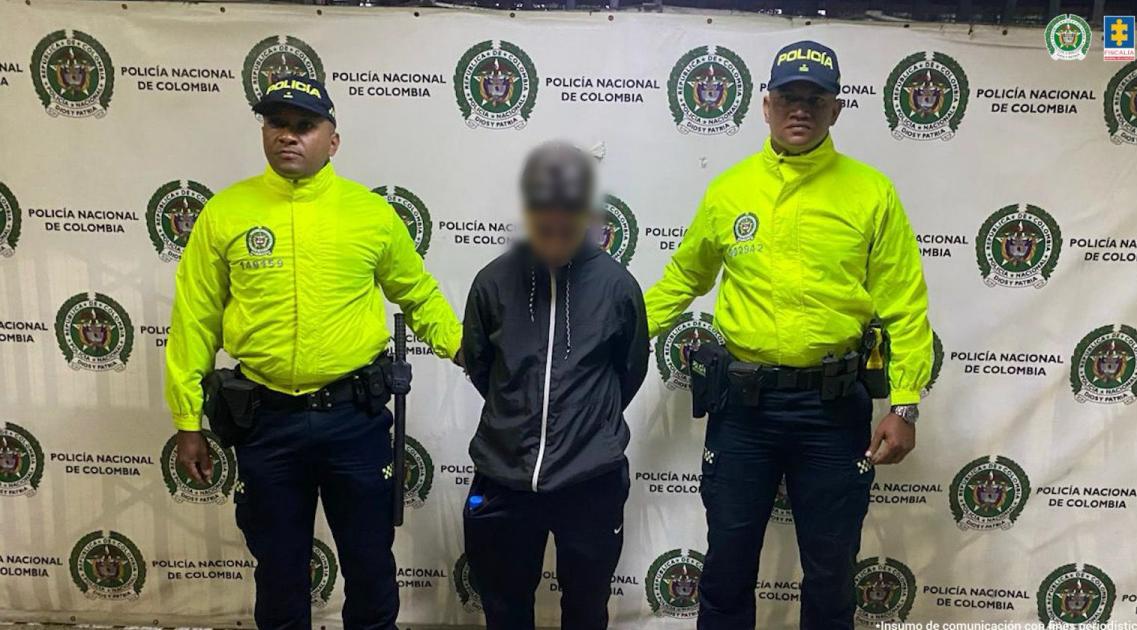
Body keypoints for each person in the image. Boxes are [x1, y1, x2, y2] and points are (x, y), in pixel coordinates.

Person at [643, 41, 933, 629]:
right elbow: (683, 279)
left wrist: (905, 404)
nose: (800, 110)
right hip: (742, 410)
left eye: (815, 99)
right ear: (766, 105)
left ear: (836, 110)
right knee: (727, 564)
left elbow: (905, 304)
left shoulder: (871, 193)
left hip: (833, 411)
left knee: (830, 570)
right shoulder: (729, 190)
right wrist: (610, 333)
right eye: (788, 98)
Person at [164, 76, 461, 630]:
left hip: (354, 420)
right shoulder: (226, 213)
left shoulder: (369, 213)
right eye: (277, 124)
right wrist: (187, 420)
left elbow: (417, 293)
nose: (288, 136)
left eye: (305, 126)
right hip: (266, 424)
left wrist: (461, 346)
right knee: (279, 572)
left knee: (370, 565)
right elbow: (194, 319)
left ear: (333, 140)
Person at [460, 141, 650, 630]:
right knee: (504, 608)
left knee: (586, 609)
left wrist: (586, 422)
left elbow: (630, 370)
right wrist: (519, 416)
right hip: (504, 476)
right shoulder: (493, 281)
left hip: (590, 479)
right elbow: (482, 368)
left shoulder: (617, 286)